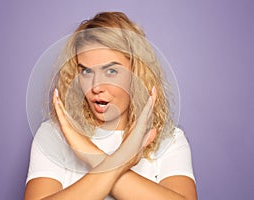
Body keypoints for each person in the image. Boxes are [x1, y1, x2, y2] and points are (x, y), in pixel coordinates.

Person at [24, 12, 197, 200]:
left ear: (136, 72)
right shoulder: (53, 135)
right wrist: (123, 159)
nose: (96, 86)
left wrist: (91, 154)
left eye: (111, 71)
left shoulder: (168, 140)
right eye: (87, 71)